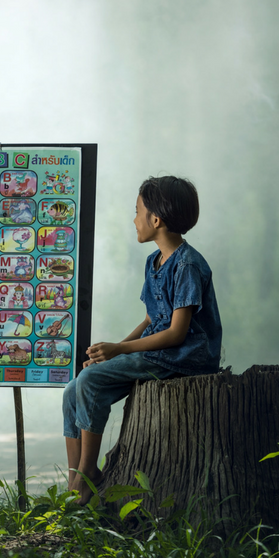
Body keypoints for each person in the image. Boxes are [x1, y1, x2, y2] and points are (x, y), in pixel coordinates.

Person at [62, 175, 222, 503]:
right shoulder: (154, 262)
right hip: (158, 352)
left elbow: (176, 333)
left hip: (185, 356)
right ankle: (76, 478)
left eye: (137, 211)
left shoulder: (187, 265)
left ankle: (87, 477)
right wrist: (109, 353)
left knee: (90, 381)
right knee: (72, 389)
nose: (134, 219)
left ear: (156, 219)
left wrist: (119, 349)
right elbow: (151, 319)